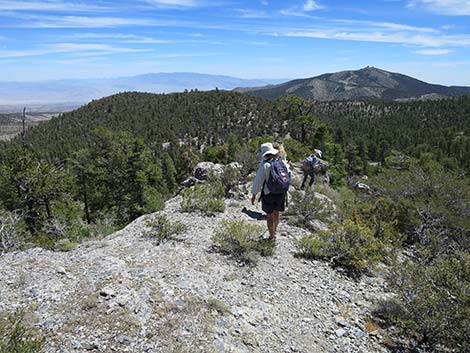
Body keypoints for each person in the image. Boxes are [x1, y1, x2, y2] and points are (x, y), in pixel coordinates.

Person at [251, 143, 287, 240]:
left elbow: (258, 181)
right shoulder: (281, 162)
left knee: (269, 215)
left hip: (269, 193)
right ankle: (275, 230)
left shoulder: (265, 165)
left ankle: (272, 236)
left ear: (265, 155)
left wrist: (254, 194)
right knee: (277, 212)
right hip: (281, 193)